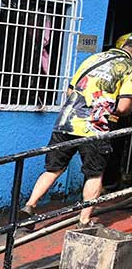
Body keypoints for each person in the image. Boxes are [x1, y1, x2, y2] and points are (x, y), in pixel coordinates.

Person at [20, 33, 132, 227]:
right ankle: (84, 221)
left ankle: (30, 205)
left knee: (54, 169)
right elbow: (123, 107)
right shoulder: (128, 68)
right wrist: (110, 110)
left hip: (66, 122)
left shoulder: (93, 59)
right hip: (95, 127)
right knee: (94, 174)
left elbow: (70, 91)